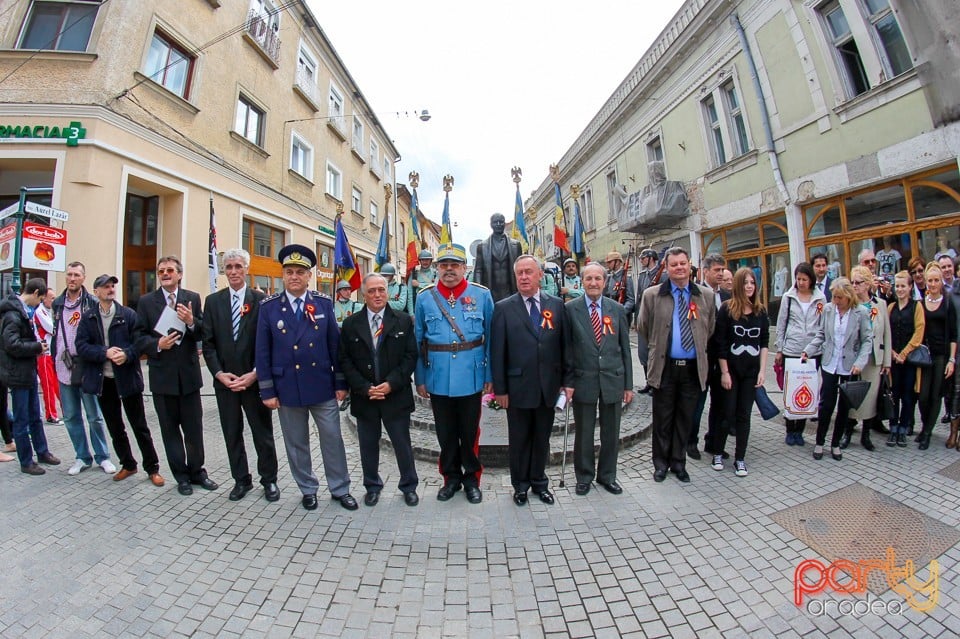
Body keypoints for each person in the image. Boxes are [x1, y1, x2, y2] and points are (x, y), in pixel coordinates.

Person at [256, 244, 357, 511]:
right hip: (287, 387)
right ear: (283, 275)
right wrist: (267, 391)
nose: (294, 276)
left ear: (309, 275)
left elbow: (335, 347)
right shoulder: (269, 309)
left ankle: (340, 488)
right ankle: (308, 489)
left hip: (322, 386)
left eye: (300, 272)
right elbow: (262, 352)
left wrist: (341, 384)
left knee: (332, 438)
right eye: (289, 271)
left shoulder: (323, 304)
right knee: (296, 442)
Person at [414, 243, 494, 504]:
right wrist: (420, 378)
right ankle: (450, 478)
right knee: (445, 433)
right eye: (444, 265)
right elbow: (418, 341)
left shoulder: (482, 296)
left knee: (469, 433)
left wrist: (489, 376)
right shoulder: (424, 297)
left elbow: (491, 339)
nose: (449, 270)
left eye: (455, 265)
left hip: (471, 376)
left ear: (464, 268)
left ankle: (471, 479)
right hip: (436, 376)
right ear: (436, 268)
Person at [135, 256, 217, 495]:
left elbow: (204, 331)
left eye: (170, 270)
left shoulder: (191, 298)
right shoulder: (146, 302)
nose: (165, 273)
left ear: (179, 274)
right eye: (161, 271)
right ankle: (180, 476)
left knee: (194, 430)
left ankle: (197, 472)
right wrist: (157, 344)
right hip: (163, 379)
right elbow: (139, 338)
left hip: (189, 378)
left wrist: (192, 322)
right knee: (170, 431)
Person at [202, 249, 279, 502]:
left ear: (246, 268)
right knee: (231, 434)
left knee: (262, 434)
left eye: (238, 266)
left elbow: (269, 342)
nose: (233, 271)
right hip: (226, 384)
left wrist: (256, 374)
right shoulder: (213, 302)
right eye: (229, 267)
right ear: (224, 271)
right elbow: (209, 343)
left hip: (254, 382)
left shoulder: (261, 301)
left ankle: (269, 480)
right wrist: (219, 373)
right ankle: (240, 480)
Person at [492, 255, 567, 506]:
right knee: (519, 439)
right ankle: (520, 486)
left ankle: (539, 482)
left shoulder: (556, 305)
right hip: (517, 388)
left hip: (548, 387)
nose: (524, 277)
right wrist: (500, 389)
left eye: (528, 272)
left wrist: (567, 383)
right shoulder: (503, 307)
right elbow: (497, 351)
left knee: (541, 438)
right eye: (519, 273)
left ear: (539, 276)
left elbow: (565, 347)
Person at [76, 274, 164, 487]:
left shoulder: (128, 315)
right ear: (96, 292)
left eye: (112, 286)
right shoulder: (88, 318)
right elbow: (81, 346)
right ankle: (128, 464)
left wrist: (126, 354)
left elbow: (140, 343)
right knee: (115, 426)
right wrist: (104, 352)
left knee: (139, 426)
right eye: (105, 287)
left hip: (127, 379)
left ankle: (152, 468)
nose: (110, 289)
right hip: (103, 381)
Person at [340, 273, 420, 507]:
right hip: (366, 398)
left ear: (388, 292)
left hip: (395, 395)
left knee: (402, 444)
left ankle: (409, 486)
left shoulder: (403, 320)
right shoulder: (351, 324)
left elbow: (410, 356)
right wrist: (365, 388)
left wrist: (391, 383)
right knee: (368, 445)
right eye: (372, 291)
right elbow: (345, 360)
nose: (377, 295)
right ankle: (372, 486)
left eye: (381, 290)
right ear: (363, 295)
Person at [639, 247, 715, 484]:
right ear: (667, 268)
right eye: (674, 264)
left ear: (689, 265)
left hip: (692, 368)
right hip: (665, 367)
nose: (679, 268)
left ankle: (678, 463)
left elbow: (709, 328)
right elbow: (643, 326)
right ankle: (661, 464)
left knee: (685, 418)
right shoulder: (653, 295)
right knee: (663, 418)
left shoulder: (705, 295)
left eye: (683, 263)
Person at [564, 262, 632, 495]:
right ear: (582, 282)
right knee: (583, 433)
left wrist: (629, 385)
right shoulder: (570, 309)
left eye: (597, 279)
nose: (593, 283)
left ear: (605, 282)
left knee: (611, 433)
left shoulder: (617, 309)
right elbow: (567, 350)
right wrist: (568, 382)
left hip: (613, 378)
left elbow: (625, 349)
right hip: (584, 380)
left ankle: (608, 476)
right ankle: (584, 476)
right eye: (588, 279)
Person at [51, 262, 114, 476]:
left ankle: (103, 456)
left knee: (94, 415)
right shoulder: (58, 303)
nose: (72, 278)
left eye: (76, 275)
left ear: (83, 278)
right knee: (70, 415)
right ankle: (82, 456)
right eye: (69, 274)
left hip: (87, 366)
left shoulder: (92, 302)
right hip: (63, 366)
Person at [801, 278, 872, 461]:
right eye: (834, 296)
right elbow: (821, 334)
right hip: (829, 364)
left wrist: (860, 362)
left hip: (849, 366)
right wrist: (808, 351)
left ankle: (835, 443)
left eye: (840, 297)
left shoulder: (861, 313)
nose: (836, 301)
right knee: (826, 404)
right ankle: (819, 441)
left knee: (844, 407)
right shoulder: (828, 309)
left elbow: (866, 341)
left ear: (849, 297)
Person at [710, 267, 769, 477]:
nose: (750, 286)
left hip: (751, 372)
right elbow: (721, 343)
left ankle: (740, 458)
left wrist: (763, 370)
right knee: (727, 413)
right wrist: (724, 372)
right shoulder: (727, 309)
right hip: (730, 371)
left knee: (744, 415)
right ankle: (717, 451)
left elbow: (764, 342)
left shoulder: (760, 311)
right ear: (738, 285)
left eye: (752, 282)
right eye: (745, 283)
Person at [1, 278, 61, 474]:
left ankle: (42, 451)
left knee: (35, 415)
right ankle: (26, 461)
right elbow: (11, 344)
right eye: (41, 299)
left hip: (28, 372)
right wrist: (36, 347)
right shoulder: (13, 314)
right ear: (35, 293)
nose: (40, 303)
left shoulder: (24, 312)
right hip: (18, 374)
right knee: (22, 419)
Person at [775, 262, 827, 446]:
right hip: (792, 349)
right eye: (798, 279)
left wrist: (814, 346)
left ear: (811, 279)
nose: (801, 283)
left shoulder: (820, 299)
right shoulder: (788, 298)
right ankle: (790, 429)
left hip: (813, 351)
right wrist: (779, 348)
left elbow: (823, 326)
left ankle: (800, 430)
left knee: (808, 390)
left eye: (804, 279)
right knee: (792, 391)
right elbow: (781, 324)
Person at [842, 266, 892, 451]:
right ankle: (847, 432)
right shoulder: (850, 305)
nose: (855, 286)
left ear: (868, 284)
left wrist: (886, 361)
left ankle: (866, 434)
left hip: (874, 358)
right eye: (852, 282)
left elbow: (887, 334)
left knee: (870, 397)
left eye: (858, 282)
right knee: (852, 396)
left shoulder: (880, 305)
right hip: (854, 359)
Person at [688, 253, 730, 459]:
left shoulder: (727, 296)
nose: (721, 273)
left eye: (723, 270)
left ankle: (714, 442)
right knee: (698, 403)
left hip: (722, 359)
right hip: (701, 358)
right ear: (705, 271)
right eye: (717, 270)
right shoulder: (695, 294)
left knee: (720, 403)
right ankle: (691, 441)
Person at [916, 262, 957, 450]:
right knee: (923, 396)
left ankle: (926, 433)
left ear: (941, 282)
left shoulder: (948, 303)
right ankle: (926, 425)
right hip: (926, 356)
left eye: (936, 280)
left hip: (942, 355)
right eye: (930, 280)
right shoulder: (921, 304)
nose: (933, 284)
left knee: (935, 396)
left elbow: (954, 335)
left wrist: (952, 360)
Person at [888, 270, 924, 447]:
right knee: (894, 394)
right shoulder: (890, 307)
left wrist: (904, 354)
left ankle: (904, 428)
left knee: (908, 396)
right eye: (897, 286)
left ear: (910, 287)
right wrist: (893, 353)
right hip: (894, 361)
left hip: (909, 361)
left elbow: (919, 332)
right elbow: (886, 333)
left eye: (903, 286)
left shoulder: (917, 307)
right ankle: (893, 426)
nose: (900, 289)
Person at [474, 213, 522, 302]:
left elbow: (521, 269)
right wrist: (478, 291)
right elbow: (478, 270)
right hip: (491, 291)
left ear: (505, 223)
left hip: (511, 291)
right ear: (491, 224)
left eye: (501, 222)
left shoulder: (515, 245)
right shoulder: (482, 246)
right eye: (496, 222)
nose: (498, 224)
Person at [33, 289, 61, 424]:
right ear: (44, 298)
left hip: (52, 352)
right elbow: (53, 329)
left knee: (57, 384)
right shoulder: (40, 312)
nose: (54, 301)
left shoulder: (49, 311)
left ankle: (65, 412)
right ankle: (51, 415)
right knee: (48, 385)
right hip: (45, 353)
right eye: (52, 298)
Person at [602, 251, 635, 321]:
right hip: (609, 313)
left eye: (610, 262)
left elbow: (631, 300)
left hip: (623, 315)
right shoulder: (609, 277)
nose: (608, 265)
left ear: (617, 262)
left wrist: (622, 311)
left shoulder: (626, 278)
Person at [406, 250, 437, 314]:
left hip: (434, 307)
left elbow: (437, 287)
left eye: (427, 260)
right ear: (420, 261)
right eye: (423, 260)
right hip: (418, 307)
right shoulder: (414, 275)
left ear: (431, 261)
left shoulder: (435, 274)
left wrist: (419, 284)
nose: (425, 262)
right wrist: (411, 314)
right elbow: (410, 295)